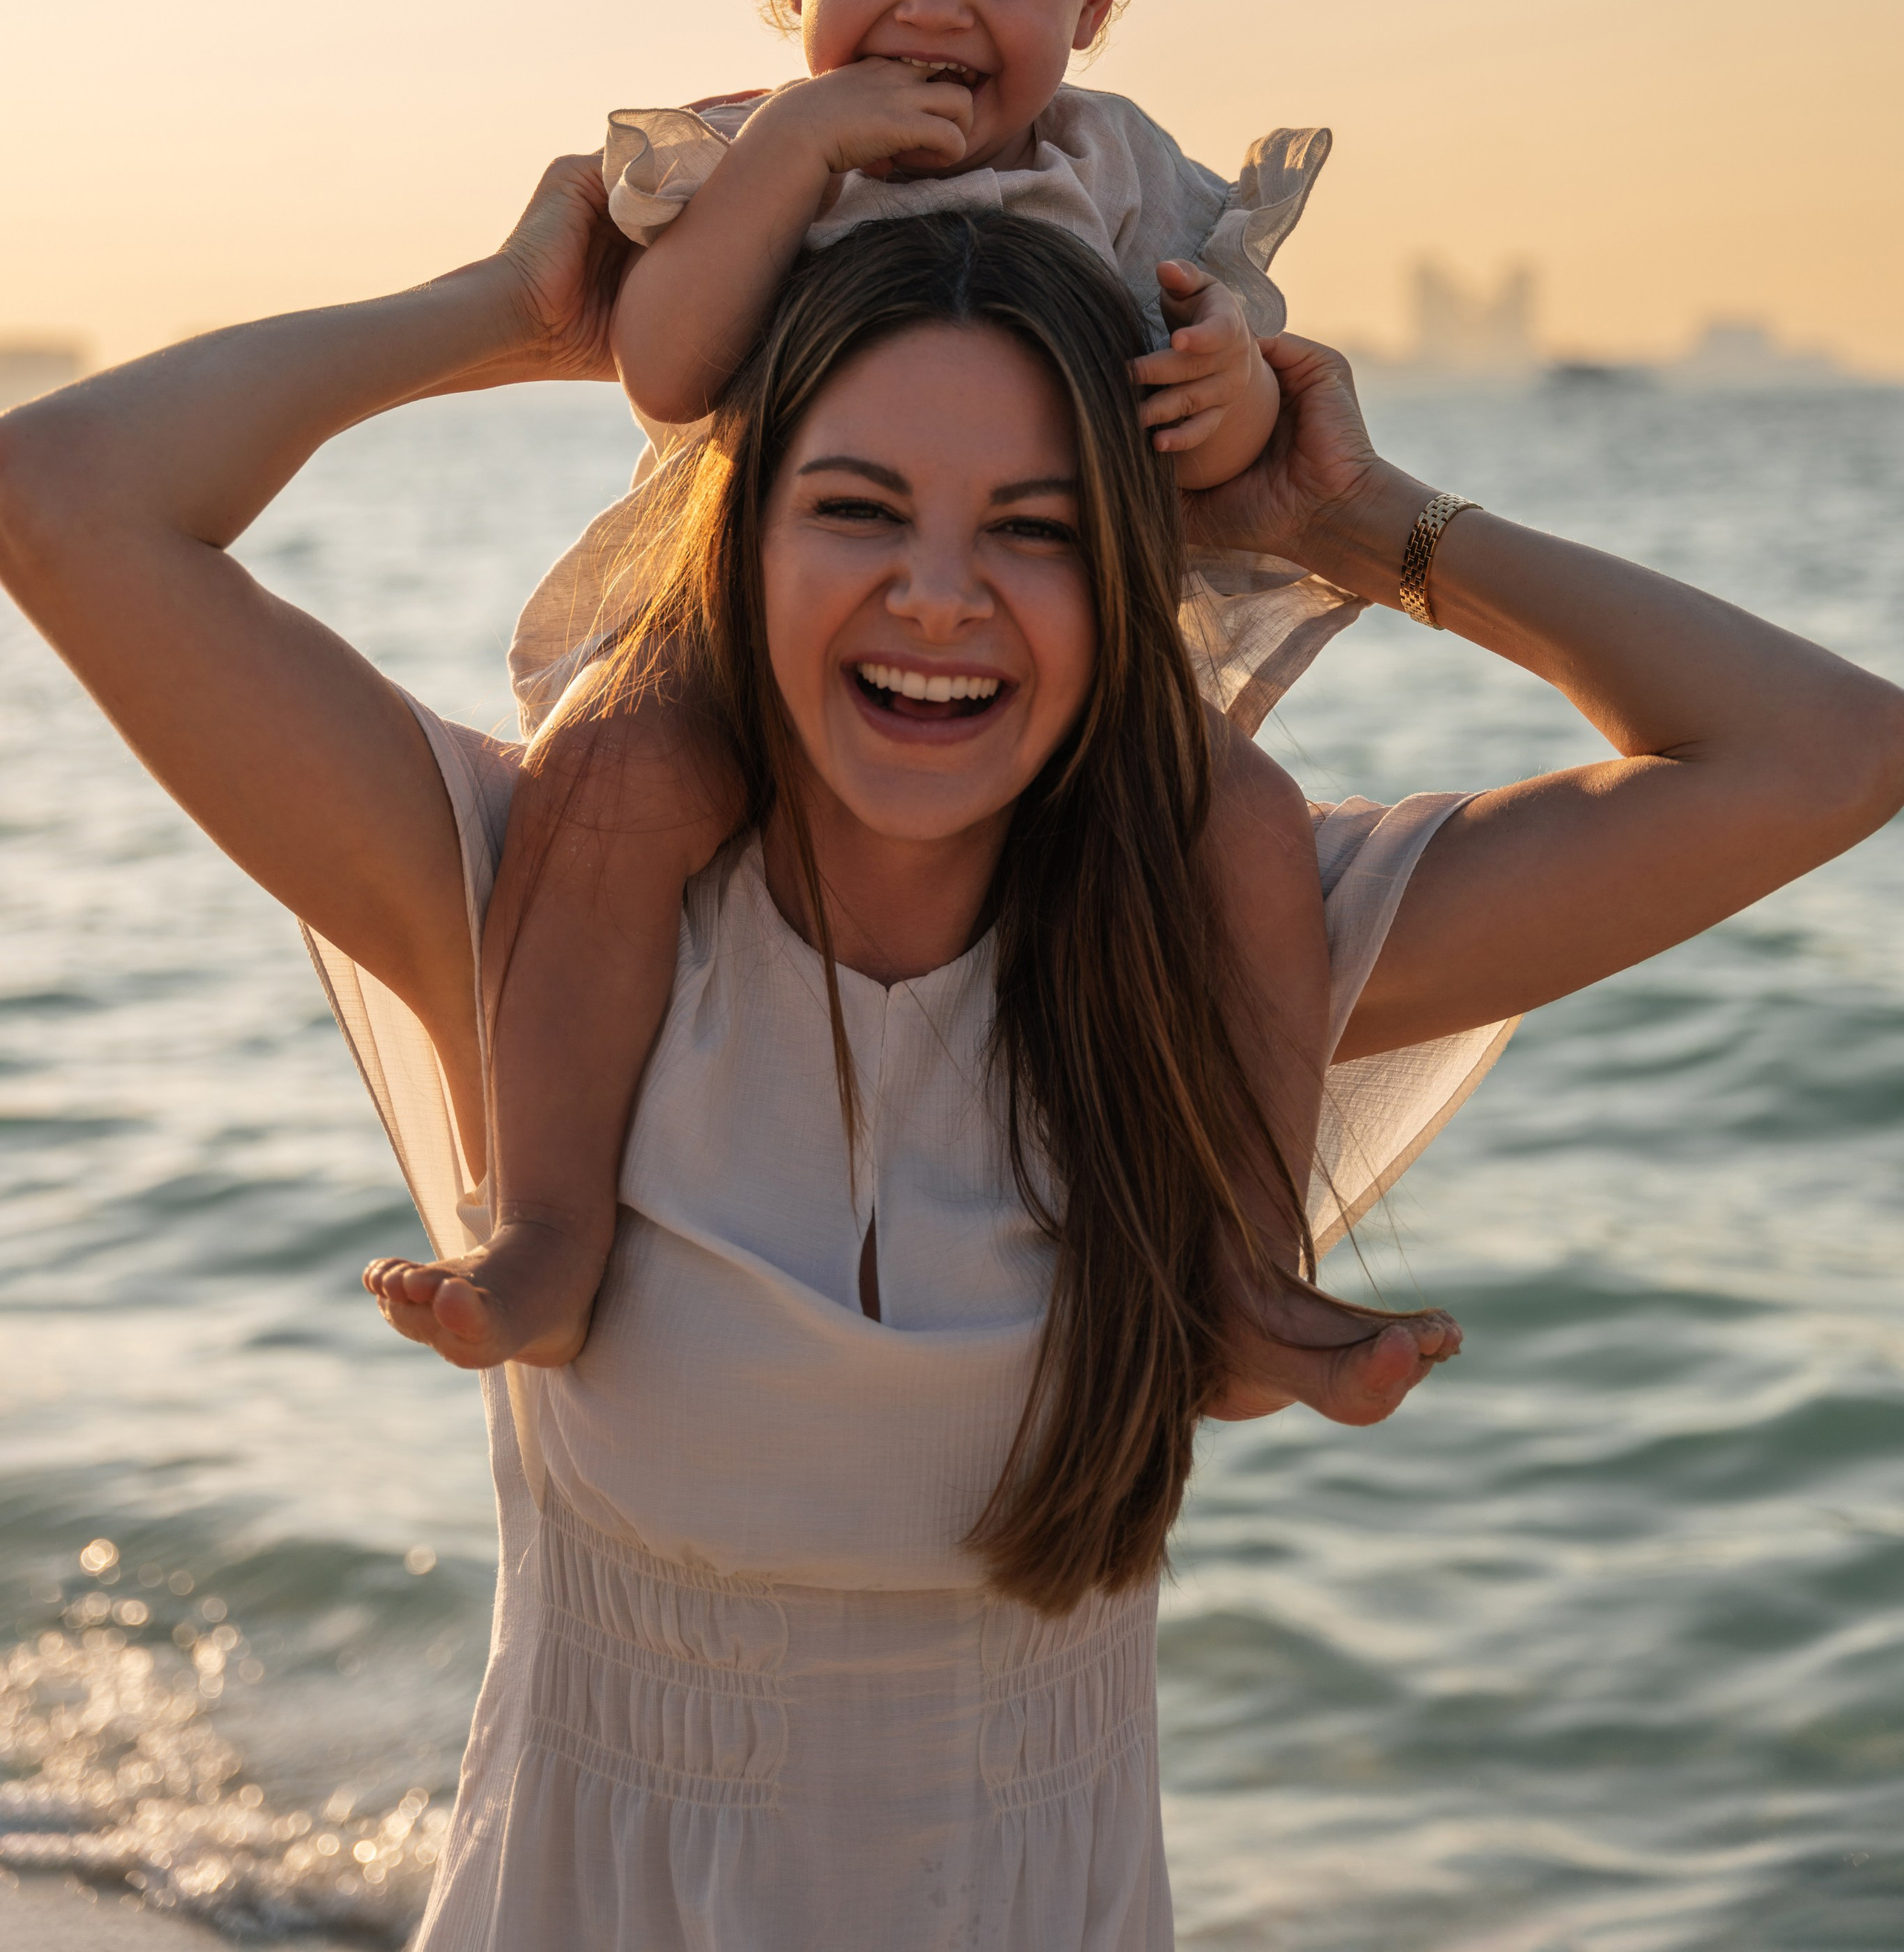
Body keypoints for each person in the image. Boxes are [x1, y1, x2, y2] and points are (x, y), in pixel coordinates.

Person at [0, 166, 1897, 1951]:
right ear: (742, 540)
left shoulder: (1212, 947)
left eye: (1034, 529)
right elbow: (63, 495)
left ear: (1126, 576)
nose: (936, 593)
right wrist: (510, 312)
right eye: (854, 506)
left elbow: (1824, 751)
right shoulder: (540, 906)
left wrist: (1347, 525)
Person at [428, 0, 1361, 1373]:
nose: (932, 9)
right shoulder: (751, 151)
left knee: (1248, 830)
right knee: (605, 793)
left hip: (1043, 645)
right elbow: (672, 370)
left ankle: (1247, 1266)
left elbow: (1228, 336)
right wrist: (791, 154)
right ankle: (543, 1224)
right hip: (743, 623)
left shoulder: (1117, 171)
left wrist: (1236, 382)